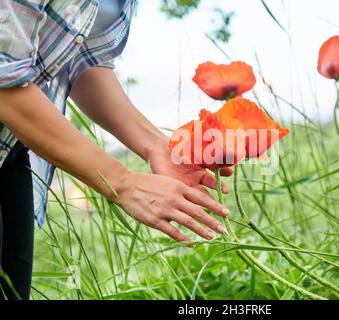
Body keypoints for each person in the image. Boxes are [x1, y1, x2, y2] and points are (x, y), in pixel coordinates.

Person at [0, 0, 232, 300]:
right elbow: (3, 78)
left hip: (11, 151)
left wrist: (155, 146)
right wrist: (122, 182)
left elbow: (80, 61)